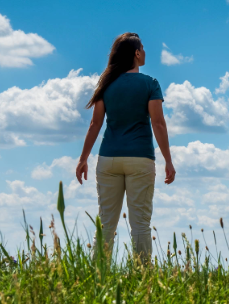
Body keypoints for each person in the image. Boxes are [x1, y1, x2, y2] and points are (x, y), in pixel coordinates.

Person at [75, 32, 176, 261]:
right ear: (137, 53)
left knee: (106, 224)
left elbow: (95, 124)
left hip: (108, 158)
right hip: (140, 159)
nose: (145, 52)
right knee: (139, 224)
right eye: (143, 48)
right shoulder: (150, 84)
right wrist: (168, 160)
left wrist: (83, 159)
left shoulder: (106, 84)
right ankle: (142, 281)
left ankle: (98, 279)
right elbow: (158, 123)